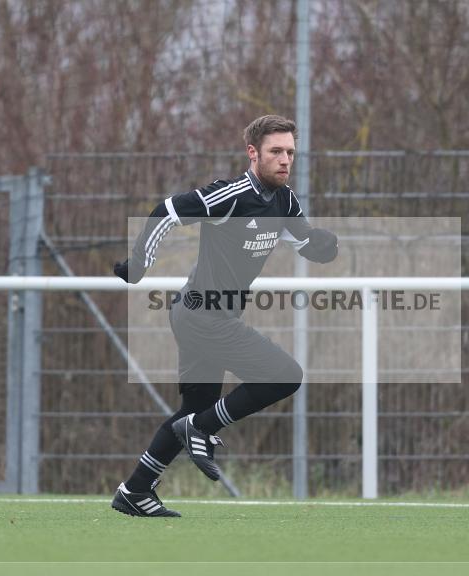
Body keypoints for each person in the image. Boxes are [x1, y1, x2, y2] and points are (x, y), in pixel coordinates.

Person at [111, 115, 338, 517]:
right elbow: (165, 212)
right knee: (285, 376)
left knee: (191, 412)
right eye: (276, 152)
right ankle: (201, 427)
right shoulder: (230, 196)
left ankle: (135, 490)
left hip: (206, 317)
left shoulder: (285, 202)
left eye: (290, 152)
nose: (285, 160)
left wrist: (324, 245)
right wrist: (138, 266)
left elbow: (305, 242)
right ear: (253, 153)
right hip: (202, 316)